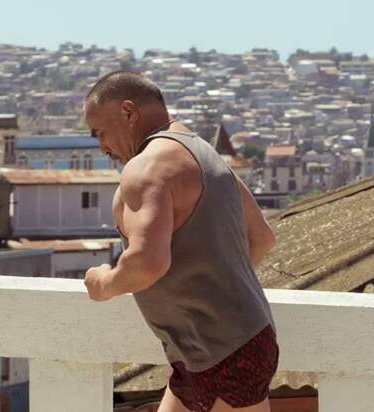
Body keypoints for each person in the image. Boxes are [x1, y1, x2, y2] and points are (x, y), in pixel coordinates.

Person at [83, 71, 279, 412]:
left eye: (100, 133)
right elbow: (262, 237)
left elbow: (147, 263)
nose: (103, 148)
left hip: (221, 353)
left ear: (128, 112)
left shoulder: (146, 168)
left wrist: (104, 283)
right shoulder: (205, 154)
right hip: (221, 348)